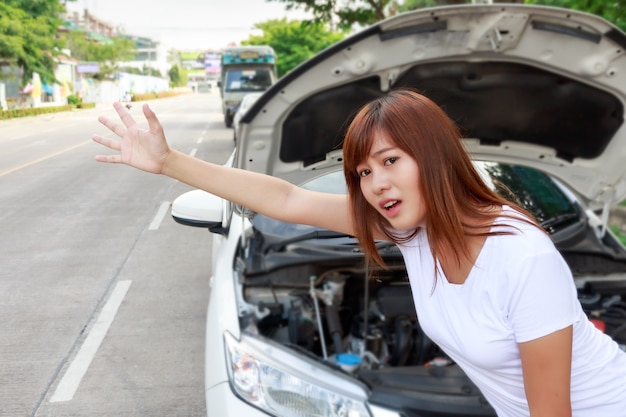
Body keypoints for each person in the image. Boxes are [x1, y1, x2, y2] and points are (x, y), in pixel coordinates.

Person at [93, 88, 626, 417]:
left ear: (435, 157)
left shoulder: (522, 258)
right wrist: (169, 163)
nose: (376, 183)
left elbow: (552, 411)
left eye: (391, 160)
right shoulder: (410, 231)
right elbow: (288, 197)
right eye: (364, 172)